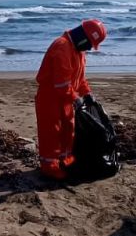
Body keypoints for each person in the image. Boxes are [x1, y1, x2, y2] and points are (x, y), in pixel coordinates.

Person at [35, 19, 107, 180]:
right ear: (83, 37)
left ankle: (65, 162)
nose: (89, 48)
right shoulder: (62, 47)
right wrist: (76, 99)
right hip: (50, 98)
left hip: (67, 98)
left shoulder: (78, 52)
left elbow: (79, 79)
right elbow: (61, 84)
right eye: (89, 43)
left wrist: (87, 93)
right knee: (52, 133)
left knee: (68, 130)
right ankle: (50, 168)